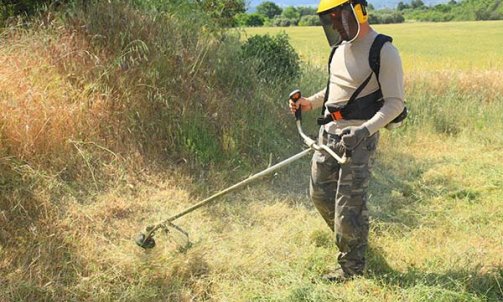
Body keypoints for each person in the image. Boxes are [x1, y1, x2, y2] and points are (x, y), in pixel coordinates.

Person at [289, 0, 405, 282]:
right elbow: (334, 89)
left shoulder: (384, 51)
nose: (335, 25)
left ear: (358, 12)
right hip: (329, 134)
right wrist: (308, 104)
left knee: (348, 206)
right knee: (320, 195)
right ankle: (351, 239)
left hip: (359, 141)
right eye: (329, 20)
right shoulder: (339, 49)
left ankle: (352, 269)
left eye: (338, 17)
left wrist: (364, 130)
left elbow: (395, 104)